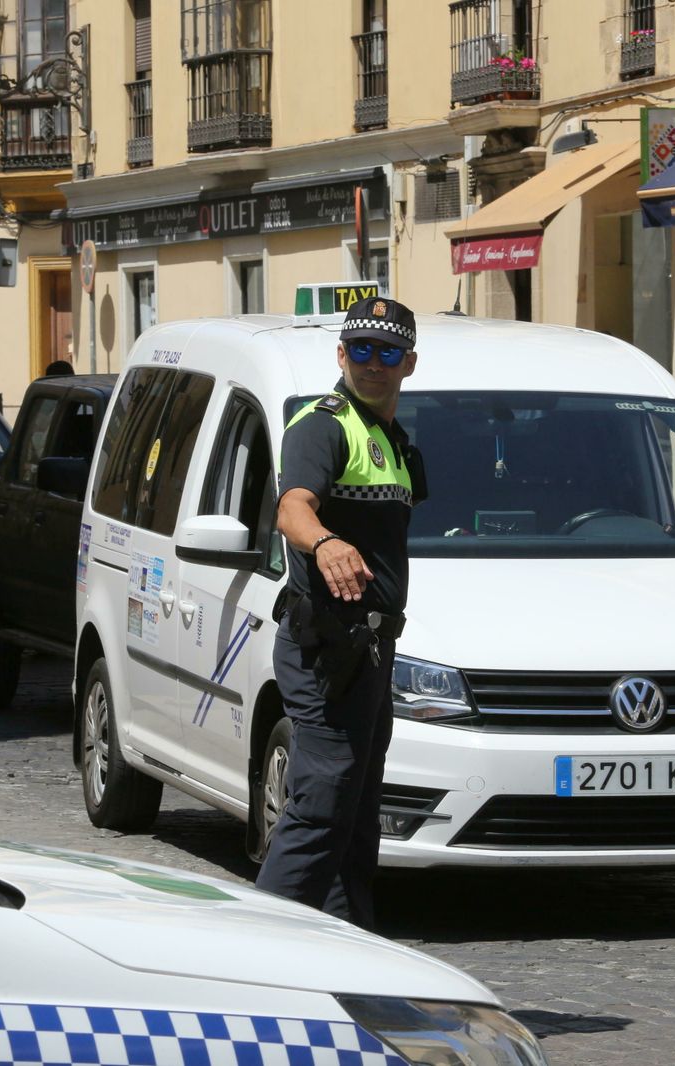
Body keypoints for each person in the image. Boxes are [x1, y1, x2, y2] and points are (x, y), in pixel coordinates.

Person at [254, 296, 425, 929]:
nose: (371, 365)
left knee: (353, 811)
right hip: (327, 651)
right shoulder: (322, 425)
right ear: (340, 355)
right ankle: (256, 958)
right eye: (360, 350)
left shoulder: (390, 438)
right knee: (321, 803)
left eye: (385, 353)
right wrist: (324, 542)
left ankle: (345, 955)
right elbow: (293, 506)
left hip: (372, 653)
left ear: (408, 363)